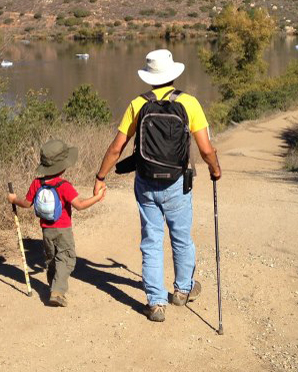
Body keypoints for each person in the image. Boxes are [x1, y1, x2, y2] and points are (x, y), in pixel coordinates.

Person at [94, 49, 222, 322]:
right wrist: (215, 169)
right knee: (181, 237)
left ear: (149, 77)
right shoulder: (190, 103)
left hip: (146, 182)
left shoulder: (137, 104)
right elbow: (206, 149)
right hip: (177, 182)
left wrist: (100, 177)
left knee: (151, 242)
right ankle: (182, 291)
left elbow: (117, 148)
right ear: (173, 73)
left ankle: (155, 303)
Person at [8, 138, 106, 307]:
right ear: (63, 166)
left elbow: (26, 203)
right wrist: (97, 198)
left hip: (46, 230)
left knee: (51, 259)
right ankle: (58, 292)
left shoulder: (36, 183)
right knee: (66, 258)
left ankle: (53, 285)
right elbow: (80, 205)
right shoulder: (64, 185)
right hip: (64, 230)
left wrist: (14, 199)